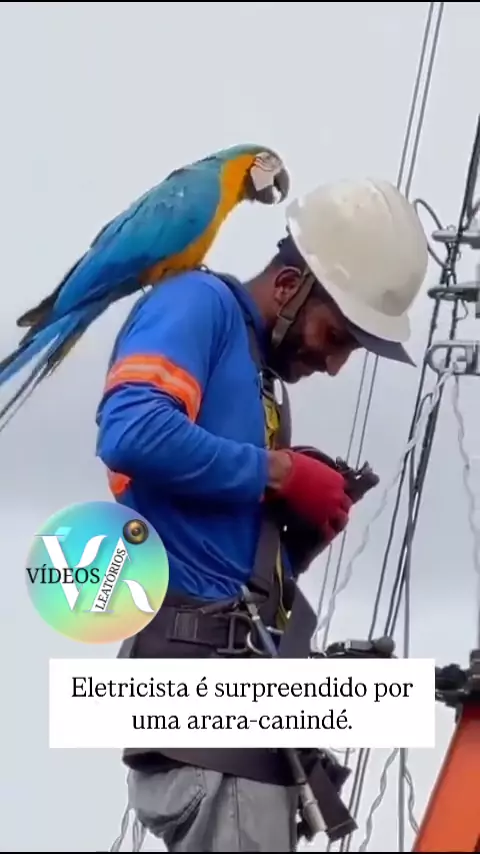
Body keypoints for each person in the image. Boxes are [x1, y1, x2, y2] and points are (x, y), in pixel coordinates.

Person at [96, 177, 428, 852]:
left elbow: (208, 543)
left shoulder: (257, 377)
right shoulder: (199, 305)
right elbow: (130, 430)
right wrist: (278, 473)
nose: (334, 364)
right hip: (209, 713)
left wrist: (290, 535)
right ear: (288, 286)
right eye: (336, 335)